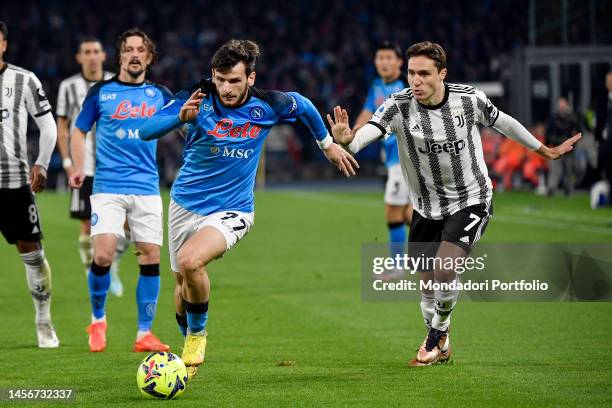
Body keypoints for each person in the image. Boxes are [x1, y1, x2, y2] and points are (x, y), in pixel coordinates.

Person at [327, 41, 580, 366]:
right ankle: (441, 340)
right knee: (427, 285)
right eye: (411, 73)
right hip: (425, 207)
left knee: (445, 268)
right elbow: (369, 133)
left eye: (423, 73)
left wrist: (544, 149)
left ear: (442, 73)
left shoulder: (468, 99)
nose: (415, 81)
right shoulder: (398, 104)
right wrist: (348, 139)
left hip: (471, 199)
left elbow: (504, 122)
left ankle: (437, 335)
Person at [140, 39, 358, 378]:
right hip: (185, 204)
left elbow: (303, 106)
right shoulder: (195, 96)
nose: (226, 88)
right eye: (221, 79)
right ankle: (188, 348)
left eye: (235, 81)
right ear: (213, 75)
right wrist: (177, 118)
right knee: (183, 285)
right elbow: (145, 130)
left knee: (191, 261)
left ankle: (196, 338)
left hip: (234, 208)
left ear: (251, 78)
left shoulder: (269, 104)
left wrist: (326, 143)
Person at [69, 28, 171, 353]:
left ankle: (145, 334)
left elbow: (185, 126)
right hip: (108, 185)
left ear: (150, 57)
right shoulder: (102, 92)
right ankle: (97, 320)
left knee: (150, 257)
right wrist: (77, 167)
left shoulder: (161, 95)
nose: (135, 54)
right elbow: (78, 129)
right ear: (121, 56)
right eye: (129, 50)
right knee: (102, 254)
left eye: (141, 49)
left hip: (146, 187)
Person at [0, 21, 59, 347]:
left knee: (33, 255)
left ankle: (44, 321)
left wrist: (42, 162)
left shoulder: (24, 79)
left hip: (12, 184)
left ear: (4, 44)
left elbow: (48, 127)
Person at [56, 37, 126, 296]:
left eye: (97, 51)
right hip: (83, 167)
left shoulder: (116, 82)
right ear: (79, 57)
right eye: (87, 52)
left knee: (126, 223)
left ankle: (113, 264)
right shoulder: (68, 87)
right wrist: (67, 162)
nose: (92, 56)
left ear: (104, 55)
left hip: (114, 165)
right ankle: (92, 272)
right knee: (87, 225)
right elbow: (62, 129)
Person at [354, 41, 412, 279]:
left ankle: (398, 266)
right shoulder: (377, 85)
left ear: (399, 62)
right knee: (410, 212)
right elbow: (367, 114)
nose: (384, 62)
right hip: (391, 159)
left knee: (393, 210)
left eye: (390, 57)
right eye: (380, 58)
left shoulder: (406, 88)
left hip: (405, 158)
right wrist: (350, 139)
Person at [546, 97, 580, 195]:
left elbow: (576, 131)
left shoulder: (571, 117)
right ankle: (551, 189)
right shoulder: (554, 117)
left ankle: (567, 189)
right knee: (555, 169)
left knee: (568, 169)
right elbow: (549, 132)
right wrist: (549, 144)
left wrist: (574, 144)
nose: (561, 107)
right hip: (556, 146)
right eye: (560, 104)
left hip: (568, 148)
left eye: (563, 104)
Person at [595, 71, 612, 197]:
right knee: (608, 171)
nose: (609, 84)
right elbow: (599, 121)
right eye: (608, 81)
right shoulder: (602, 99)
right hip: (605, 142)